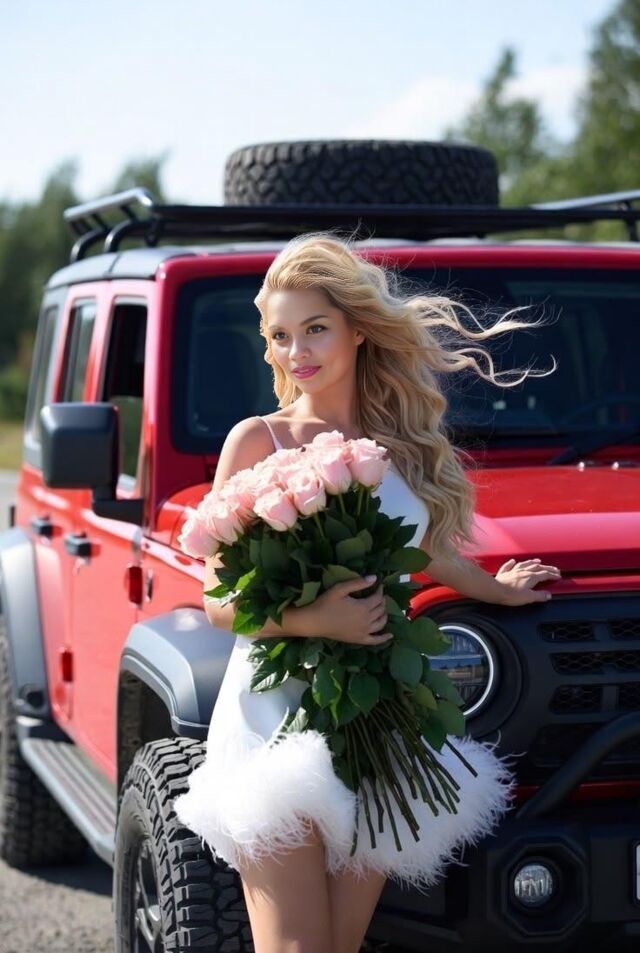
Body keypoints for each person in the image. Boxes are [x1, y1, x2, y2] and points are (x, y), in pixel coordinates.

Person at [173, 232, 562, 953]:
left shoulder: (400, 444)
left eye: (315, 329)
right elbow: (218, 602)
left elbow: (428, 552)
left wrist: (497, 590)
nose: (297, 351)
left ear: (357, 329)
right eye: (281, 336)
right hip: (274, 721)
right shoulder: (257, 441)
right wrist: (315, 618)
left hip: (377, 719)